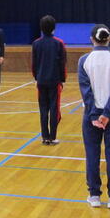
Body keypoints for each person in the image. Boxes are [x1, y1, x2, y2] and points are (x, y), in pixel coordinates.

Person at [78, 24, 110, 209]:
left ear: (92, 39)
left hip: (91, 115)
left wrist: (94, 115)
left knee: (92, 154)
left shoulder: (84, 60)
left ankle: (94, 195)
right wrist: (107, 114)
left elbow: (86, 91)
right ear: (109, 38)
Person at [31, 15, 67, 145]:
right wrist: (62, 79)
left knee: (43, 109)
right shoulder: (59, 43)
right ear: (53, 28)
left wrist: (36, 77)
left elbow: (34, 64)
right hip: (54, 81)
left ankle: (45, 137)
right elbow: (62, 63)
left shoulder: (36, 43)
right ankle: (52, 137)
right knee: (54, 109)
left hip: (41, 81)